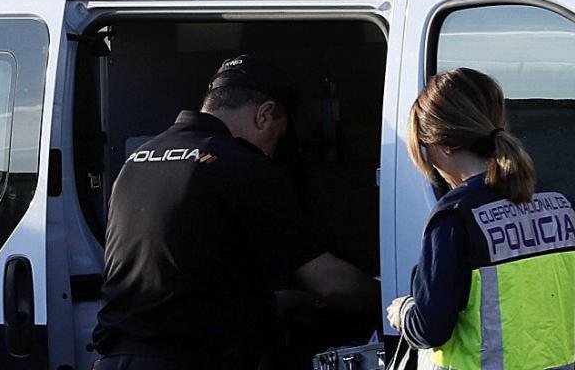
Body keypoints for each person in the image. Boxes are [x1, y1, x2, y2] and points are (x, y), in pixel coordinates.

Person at [94, 54, 377, 370]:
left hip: (117, 359)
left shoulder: (138, 160)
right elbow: (329, 282)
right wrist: (394, 300)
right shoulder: (243, 165)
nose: (273, 151)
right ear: (265, 115)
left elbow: (176, 270)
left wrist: (272, 303)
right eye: (279, 139)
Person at [387, 68, 575, 370]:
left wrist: (402, 311)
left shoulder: (454, 218)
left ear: (440, 146)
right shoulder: (562, 208)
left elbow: (430, 329)